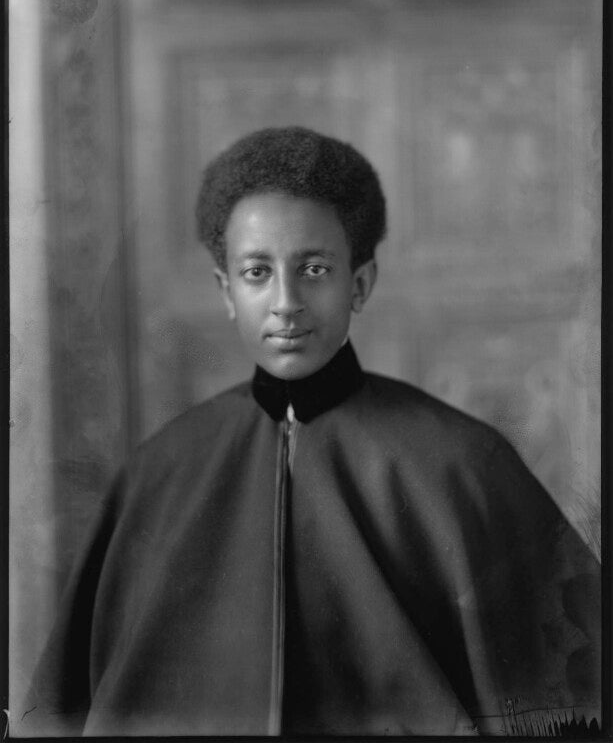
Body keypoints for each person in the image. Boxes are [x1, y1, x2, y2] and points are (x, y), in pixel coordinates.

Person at [20, 127, 600, 737]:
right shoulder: (158, 473)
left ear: (359, 284)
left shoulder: (464, 464)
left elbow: (575, 695)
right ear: (225, 291)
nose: (286, 302)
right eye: (256, 272)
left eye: (315, 269)